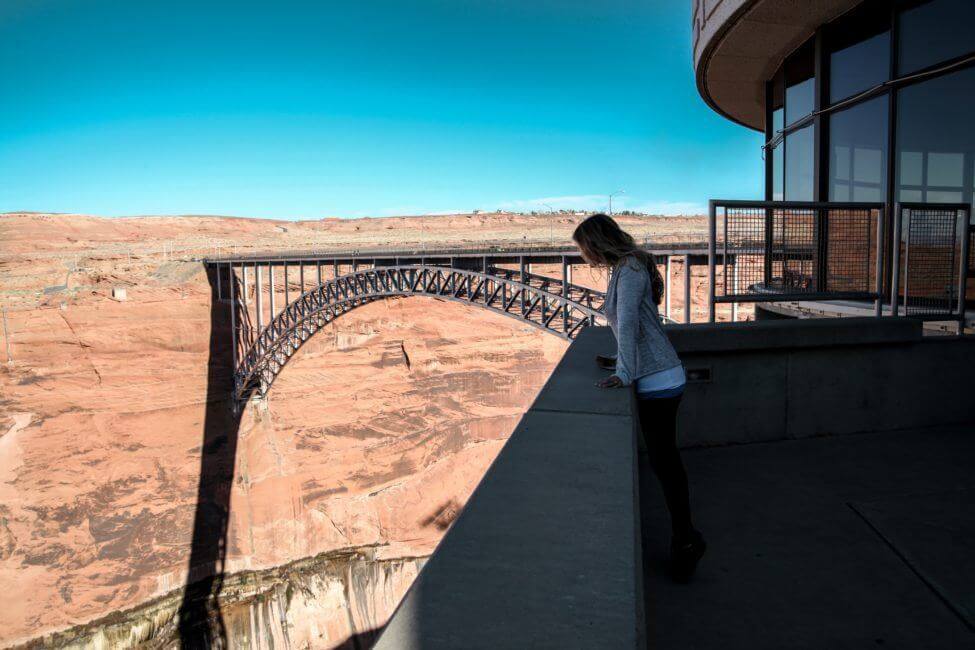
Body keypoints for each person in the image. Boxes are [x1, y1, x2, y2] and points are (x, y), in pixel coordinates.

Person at [572, 213, 705, 582]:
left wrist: (624, 373)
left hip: (659, 380)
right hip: (658, 374)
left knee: (666, 464)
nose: (583, 255)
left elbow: (629, 322)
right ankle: (686, 537)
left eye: (583, 247)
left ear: (596, 242)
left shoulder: (629, 270)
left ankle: (688, 539)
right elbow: (641, 325)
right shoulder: (626, 266)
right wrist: (619, 359)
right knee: (665, 463)